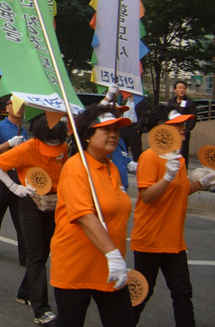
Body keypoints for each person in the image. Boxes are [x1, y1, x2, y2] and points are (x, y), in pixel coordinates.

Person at [50, 104, 135, 327]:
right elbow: (85, 216)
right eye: (106, 129)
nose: (114, 134)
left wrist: (113, 257)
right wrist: (113, 254)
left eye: (116, 129)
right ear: (87, 136)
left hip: (108, 268)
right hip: (77, 267)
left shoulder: (112, 168)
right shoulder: (76, 168)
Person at [130, 105, 215, 326]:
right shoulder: (149, 158)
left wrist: (200, 183)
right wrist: (167, 177)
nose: (184, 128)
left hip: (174, 242)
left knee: (182, 292)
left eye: (184, 124)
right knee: (142, 294)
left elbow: (181, 190)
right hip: (149, 241)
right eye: (178, 125)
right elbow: (147, 196)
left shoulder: (179, 159)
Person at [0, 113, 68, 325]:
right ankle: (41, 309)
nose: (53, 151)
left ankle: (25, 291)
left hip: (54, 203)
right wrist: (15, 187)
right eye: (48, 145)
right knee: (35, 254)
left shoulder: (63, 148)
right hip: (30, 203)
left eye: (56, 145)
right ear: (38, 137)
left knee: (45, 252)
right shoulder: (26, 148)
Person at [0, 97, 28, 265]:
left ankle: (25, 255)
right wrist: (9, 144)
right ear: (7, 108)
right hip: (1, 175)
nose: (17, 108)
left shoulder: (23, 131)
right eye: (13, 105)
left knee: (22, 217)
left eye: (21, 106)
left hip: (19, 178)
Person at [166, 81, 197, 166]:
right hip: (172, 131)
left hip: (183, 131)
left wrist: (188, 128)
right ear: (175, 90)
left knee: (183, 153)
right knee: (171, 152)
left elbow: (193, 117)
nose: (182, 90)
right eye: (179, 88)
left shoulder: (190, 102)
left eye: (183, 88)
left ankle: (183, 172)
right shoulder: (171, 102)